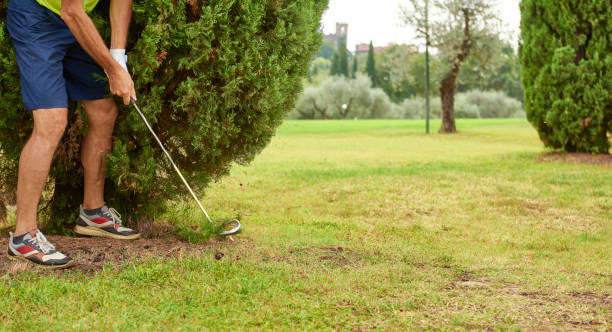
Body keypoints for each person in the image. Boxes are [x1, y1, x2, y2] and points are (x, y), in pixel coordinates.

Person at [6, 0, 141, 269]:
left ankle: (92, 212)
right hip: (36, 18)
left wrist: (117, 55)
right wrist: (113, 72)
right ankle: (23, 236)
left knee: (103, 111)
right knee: (52, 122)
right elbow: (70, 9)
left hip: (77, 23)